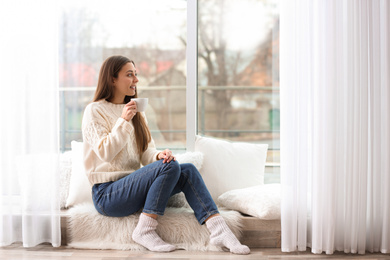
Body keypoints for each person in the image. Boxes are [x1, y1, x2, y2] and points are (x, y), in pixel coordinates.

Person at [81, 55, 250, 255]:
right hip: (107, 195)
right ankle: (145, 230)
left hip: (132, 189)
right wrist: (123, 120)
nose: (136, 80)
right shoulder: (94, 110)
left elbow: (145, 153)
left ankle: (219, 230)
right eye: (129, 75)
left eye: (136, 75)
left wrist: (159, 155)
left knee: (186, 169)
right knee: (171, 167)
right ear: (112, 79)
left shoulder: (137, 112)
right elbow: (106, 153)